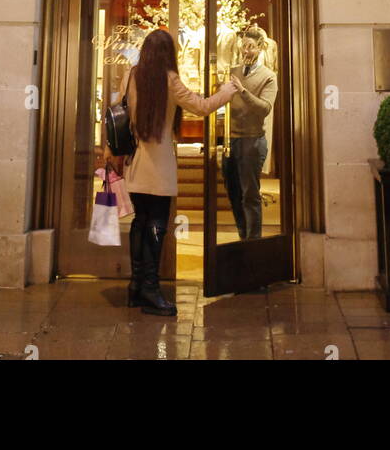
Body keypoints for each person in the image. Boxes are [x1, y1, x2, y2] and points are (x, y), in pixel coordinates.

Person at [114, 28, 239, 316]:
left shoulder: (131, 75)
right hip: (158, 167)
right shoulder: (169, 80)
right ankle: (151, 289)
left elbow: (119, 110)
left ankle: (136, 286)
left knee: (140, 222)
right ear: (168, 54)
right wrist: (227, 92)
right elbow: (202, 107)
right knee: (156, 224)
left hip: (135, 163)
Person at [222, 26, 278, 239]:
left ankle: (253, 243)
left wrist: (243, 91)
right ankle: (242, 236)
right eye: (244, 46)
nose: (246, 51)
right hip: (231, 140)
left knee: (250, 195)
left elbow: (264, 108)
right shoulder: (234, 71)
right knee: (234, 194)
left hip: (252, 141)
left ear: (261, 48)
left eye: (251, 47)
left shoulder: (269, 76)